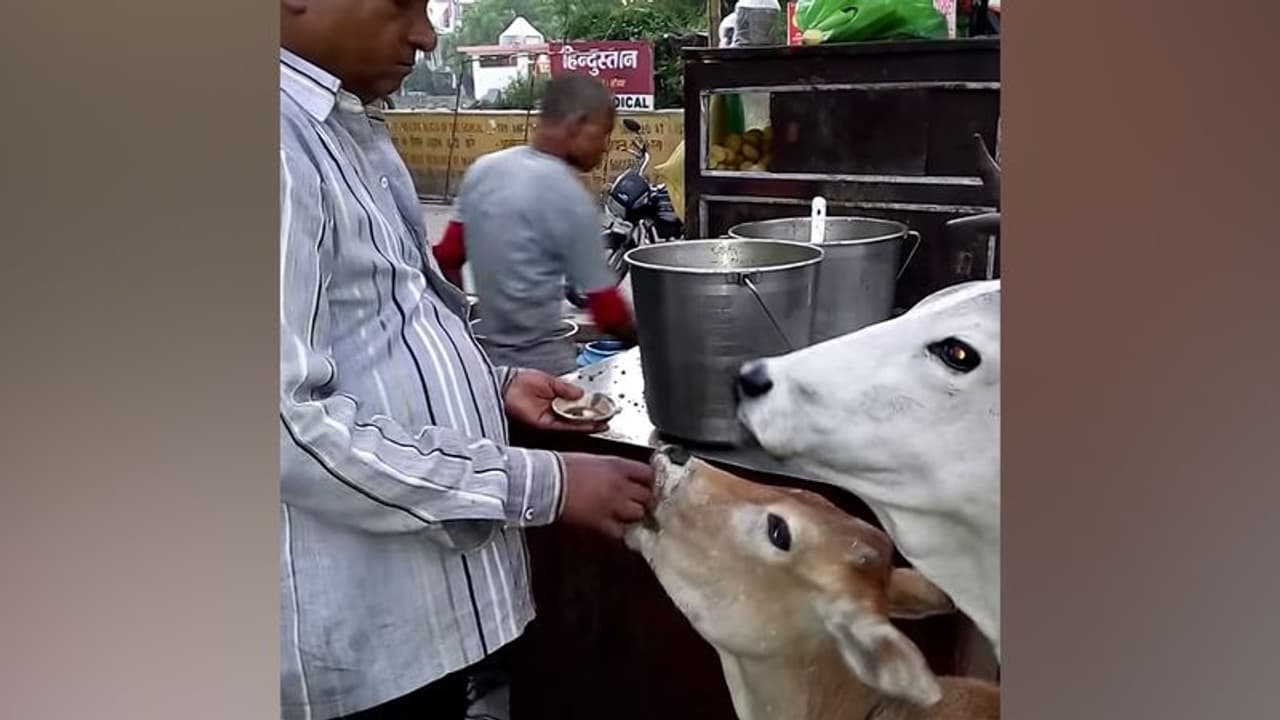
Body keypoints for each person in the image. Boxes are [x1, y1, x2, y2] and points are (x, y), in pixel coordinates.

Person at [279, 2, 654, 719]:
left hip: (501, 385)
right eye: (401, 6)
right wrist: (540, 484)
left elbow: (423, 292)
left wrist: (489, 382)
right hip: (355, 648)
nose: (426, 35)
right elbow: (284, 423)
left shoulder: (382, 142)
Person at [432, 75, 637, 376]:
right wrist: (647, 345)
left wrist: (463, 324)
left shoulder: (484, 169)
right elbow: (607, 312)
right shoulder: (568, 196)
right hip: (544, 368)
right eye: (603, 133)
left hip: (483, 363)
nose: (605, 147)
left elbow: (448, 257)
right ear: (576, 125)